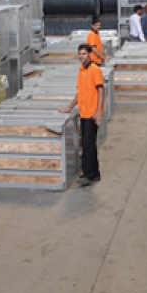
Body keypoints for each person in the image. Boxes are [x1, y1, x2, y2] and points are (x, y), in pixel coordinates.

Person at [59, 44, 104, 186]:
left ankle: (87, 175)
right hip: (83, 113)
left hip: (91, 114)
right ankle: (95, 173)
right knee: (90, 144)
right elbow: (80, 93)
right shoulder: (81, 70)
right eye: (80, 54)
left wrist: (98, 112)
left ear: (90, 54)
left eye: (84, 54)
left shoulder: (95, 70)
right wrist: (70, 107)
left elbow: (101, 91)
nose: (81, 56)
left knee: (87, 145)